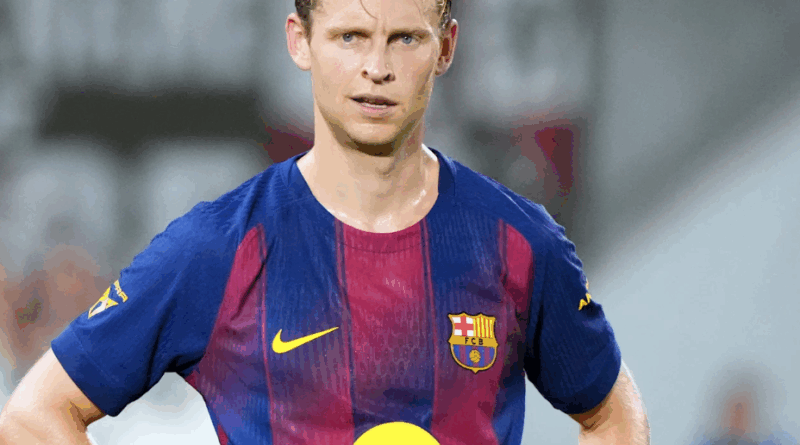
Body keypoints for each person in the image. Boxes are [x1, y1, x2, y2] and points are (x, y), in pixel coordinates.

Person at [0, 0, 650, 443]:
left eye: (405, 37)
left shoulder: (519, 242)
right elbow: (35, 414)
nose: (377, 68)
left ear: (447, 47)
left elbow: (612, 412)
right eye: (349, 37)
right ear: (299, 41)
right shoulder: (218, 249)